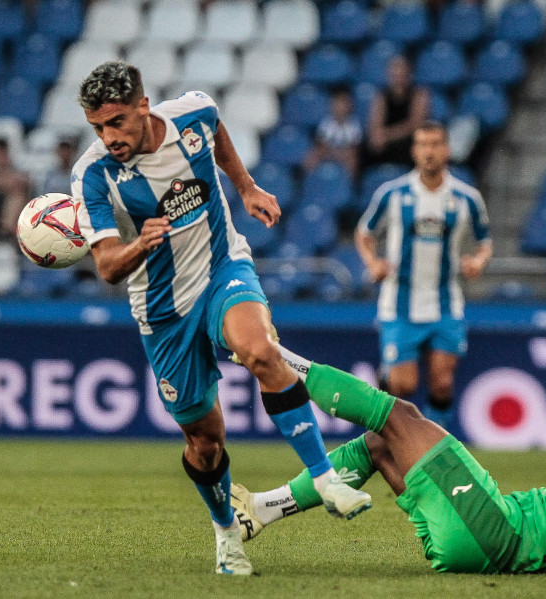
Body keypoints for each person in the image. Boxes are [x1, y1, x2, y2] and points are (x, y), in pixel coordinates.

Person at [70, 61, 371, 575]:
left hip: (221, 269)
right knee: (205, 444)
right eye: (98, 127)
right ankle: (227, 533)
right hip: (163, 312)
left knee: (259, 350)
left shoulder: (194, 113)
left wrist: (247, 187)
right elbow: (105, 267)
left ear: (143, 106)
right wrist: (139, 244)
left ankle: (325, 478)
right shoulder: (92, 174)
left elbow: (217, 133)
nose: (109, 137)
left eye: (117, 122)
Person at [227, 349, 546, 579]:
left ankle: (273, 357)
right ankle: (262, 509)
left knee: (400, 414)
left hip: (496, 532)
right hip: (483, 534)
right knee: (381, 443)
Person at [355, 120, 492, 428]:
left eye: (436, 144)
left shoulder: (466, 197)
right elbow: (364, 233)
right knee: (404, 387)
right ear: (414, 151)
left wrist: (478, 261)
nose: (430, 152)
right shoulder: (392, 194)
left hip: (445, 301)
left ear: (446, 149)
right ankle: (386, 376)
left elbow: (485, 241)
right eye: (423, 145)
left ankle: (433, 451)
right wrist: (372, 262)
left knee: (442, 381)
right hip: (400, 302)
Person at [365, 55, 430, 167]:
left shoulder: (419, 94)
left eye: (401, 70)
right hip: (386, 142)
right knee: (369, 147)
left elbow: (415, 124)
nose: (398, 75)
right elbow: (375, 124)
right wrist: (378, 137)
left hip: (408, 141)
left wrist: (387, 136)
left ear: (408, 73)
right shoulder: (381, 96)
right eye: (394, 70)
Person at [304, 86, 363, 180]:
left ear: (350, 105)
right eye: (337, 103)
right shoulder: (326, 123)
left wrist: (340, 155)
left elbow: (354, 149)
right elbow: (321, 146)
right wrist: (332, 154)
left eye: (344, 103)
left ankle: (349, 188)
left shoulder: (354, 125)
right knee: (310, 158)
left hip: (345, 155)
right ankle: (308, 184)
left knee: (353, 161)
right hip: (328, 153)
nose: (340, 107)